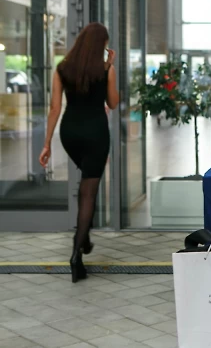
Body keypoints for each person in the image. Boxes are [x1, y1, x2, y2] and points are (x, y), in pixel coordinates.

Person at [39, 22, 119, 283]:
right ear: (101, 45)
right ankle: (77, 253)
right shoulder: (105, 69)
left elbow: (54, 108)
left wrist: (47, 144)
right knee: (89, 191)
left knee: (86, 182)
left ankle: (84, 239)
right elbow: (113, 103)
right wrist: (110, 67)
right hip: (96, 134)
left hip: (70, 134)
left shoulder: (62, 68)